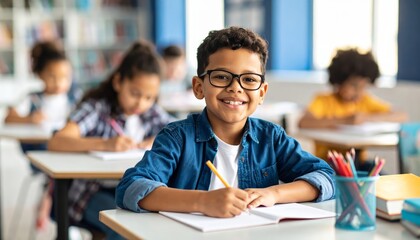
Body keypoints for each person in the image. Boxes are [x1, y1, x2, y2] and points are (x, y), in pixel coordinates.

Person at [116, 27, 335, 218]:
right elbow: (132, 188)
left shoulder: (272, 138)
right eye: (221, 77)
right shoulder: (177, 138)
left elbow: (325, 177)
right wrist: (203, 202)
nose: (235, 88)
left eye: (249, 79)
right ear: (199, 87)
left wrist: (274, 193)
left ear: (262, 93)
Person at [48, 40, 174, 239]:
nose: (141, 103)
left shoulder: (150, 113)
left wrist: (154, 140)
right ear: (118, 82)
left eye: (149, 97)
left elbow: (178, 132)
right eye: (134, 93)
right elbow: (58, 141)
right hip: (92, 192)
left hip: (134, 191)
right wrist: (105, 144)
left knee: (161, 225)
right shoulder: (97, 108)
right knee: (127, 230)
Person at [4, 40, 80, 230]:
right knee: (61, 173)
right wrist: (29, 119)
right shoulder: (33, 98)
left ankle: (50, 200)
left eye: (65, 77)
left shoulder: (74, 98)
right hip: (40, 153)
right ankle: (53, 204)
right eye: (52, 77)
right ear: (40, 75)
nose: (60, 82)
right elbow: (9, 118)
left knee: (70, 174)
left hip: (69, 154)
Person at [298, 48, 407, 166]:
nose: (359, 92)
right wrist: (345, 120)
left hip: (358, 162)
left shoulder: (364, 100)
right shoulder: (324, 100)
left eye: (363, 87)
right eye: (354, 86)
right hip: (328, 163)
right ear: (339, 82)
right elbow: (304, 122)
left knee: (379, 176)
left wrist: (367, 118)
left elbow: (401, 115)